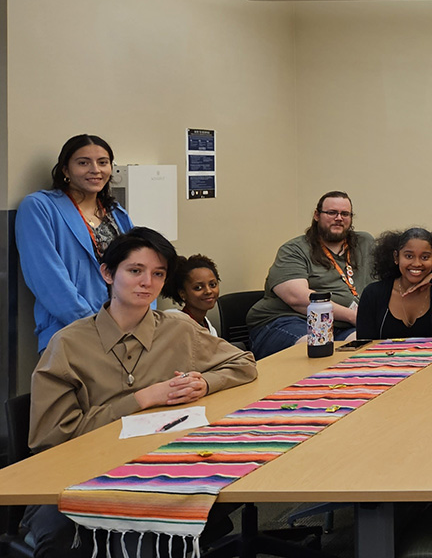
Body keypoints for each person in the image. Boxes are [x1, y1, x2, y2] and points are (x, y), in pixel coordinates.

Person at [25, 227, 257, 556]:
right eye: (135, 271)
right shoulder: (68, 344)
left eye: (158, 274)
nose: (147, 282)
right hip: (80, 476)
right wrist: (143, 398)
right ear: (108, 273)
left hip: (162, 468)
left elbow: (244, 364)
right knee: (72, 538)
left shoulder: (178, 329)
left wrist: (204, 383)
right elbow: (52, 438)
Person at [16, 134, 134, 352]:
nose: (95, 170)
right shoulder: (39, 207)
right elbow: (47, 278)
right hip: (71, 332)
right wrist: (95, 327)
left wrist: (139, 317)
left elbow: (137, 268)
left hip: (124, 329)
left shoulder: (117, 213)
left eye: (103, 162)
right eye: (83, 163)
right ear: (65, 170)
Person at [247, 191, 376, 358]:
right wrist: (354, 317)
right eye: (331, 213)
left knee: (367, 348)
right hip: (292, 321)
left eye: (345, 214)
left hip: (342, 326)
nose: (339, 218)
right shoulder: (294, 249)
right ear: (317, 215)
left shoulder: (364, 243)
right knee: (316, 349)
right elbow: (298, 298)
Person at [357, 228, 432, 340]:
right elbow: (364, 343)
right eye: (409, 256)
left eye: (425, 257)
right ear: (396, 257)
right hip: (383, 357)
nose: (417, 263)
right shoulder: (373, 293)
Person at [165, 254, 222, 336]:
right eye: (198, 287)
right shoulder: (173, 321)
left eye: (212, 285)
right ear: (182, 293)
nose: (208, 291)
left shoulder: (208, 326)